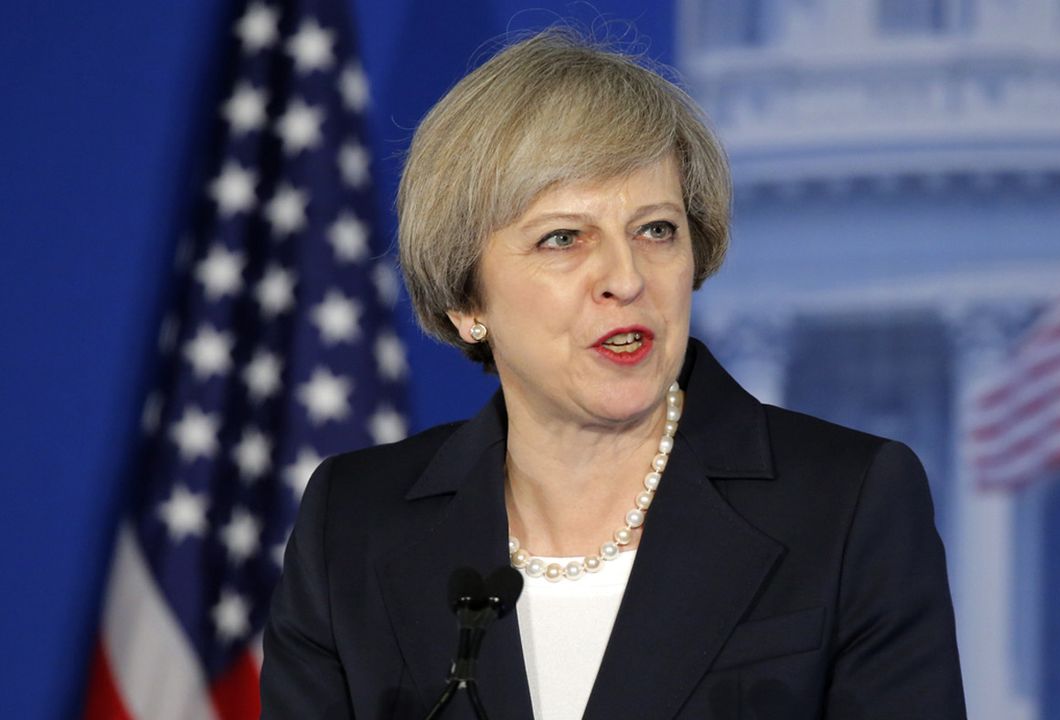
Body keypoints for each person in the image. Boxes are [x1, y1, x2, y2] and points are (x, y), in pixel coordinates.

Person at [261, 27, 966, 720]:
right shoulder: (352, 523)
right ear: (466, 301)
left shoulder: (847, 504)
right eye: (563, 238)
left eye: (656, 230)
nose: (626, 279)